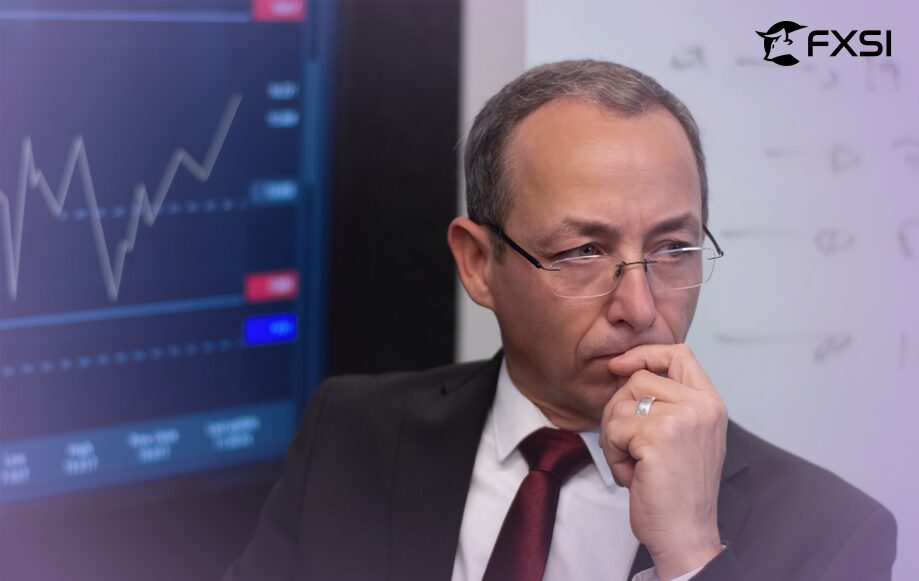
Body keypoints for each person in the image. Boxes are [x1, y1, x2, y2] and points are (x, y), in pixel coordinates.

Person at [223, 60, 897, 581]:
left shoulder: (831, 533)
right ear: (478, 262)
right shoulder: (350, 432)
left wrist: (690, 553)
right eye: (583, 251)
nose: (638, 307)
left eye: (671, 249)